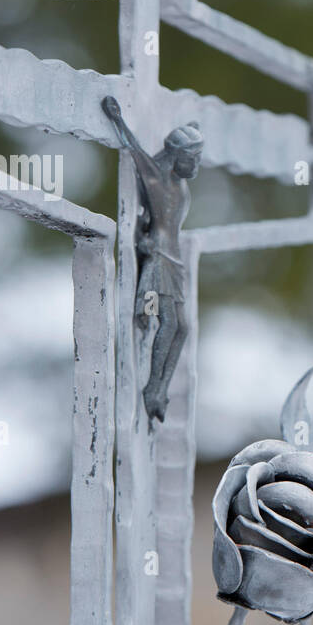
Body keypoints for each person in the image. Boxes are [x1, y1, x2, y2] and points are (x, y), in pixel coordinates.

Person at [102, 95, 202, 423]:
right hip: (158, 256)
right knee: (168, 322)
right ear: (177, 155)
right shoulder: (157, 178)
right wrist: (116, 117)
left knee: (183, 327)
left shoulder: (177, 181)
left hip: (174, 260)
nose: (197, 166)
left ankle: (159, 387)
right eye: (194, 158)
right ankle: (153, 390)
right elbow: (134, 151)